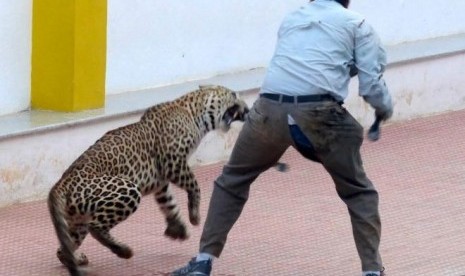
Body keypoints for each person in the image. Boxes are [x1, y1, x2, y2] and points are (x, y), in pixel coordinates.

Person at [171, 0, 392, 275]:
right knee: (359, 192)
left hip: (268, 111)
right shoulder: (358, 24)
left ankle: (202, 262)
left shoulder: (293, 19)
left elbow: (301, 64)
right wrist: (384, 109)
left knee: (232, 181)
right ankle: (372, 271)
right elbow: (372, 84)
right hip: (320, 116)